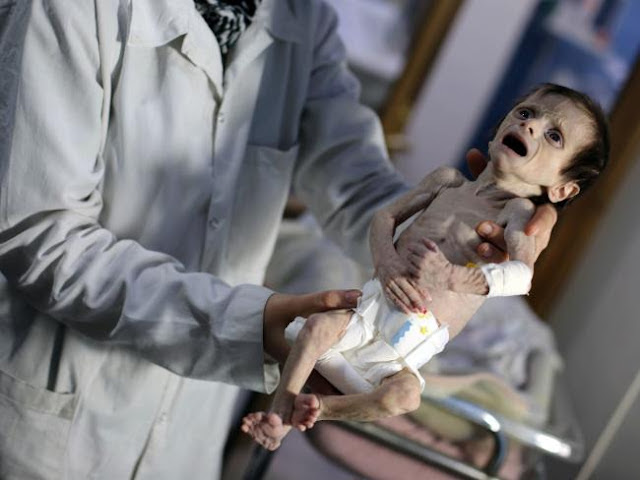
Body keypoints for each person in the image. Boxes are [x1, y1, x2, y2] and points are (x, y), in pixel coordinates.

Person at [0, 0, 557, 478]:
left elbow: (356, 181)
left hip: (187, 437)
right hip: (57, 417)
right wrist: (256, 326)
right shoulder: (70, 10)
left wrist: (456, 219)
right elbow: (41, 236)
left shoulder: (300, 18)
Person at [240, 83, 609, 451]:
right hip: (365, 318)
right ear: (498, 130)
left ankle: (321, 410)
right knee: (316, 326)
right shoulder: (446, 182)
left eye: (554, 136)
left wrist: (454, 277)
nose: (530, 125)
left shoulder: (517, 213)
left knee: (405, 397)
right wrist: (385, 261)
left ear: (562, 189)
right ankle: (278, 420)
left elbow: (522, 276)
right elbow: (385, 217)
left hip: (400, 356)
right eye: (526, 113)